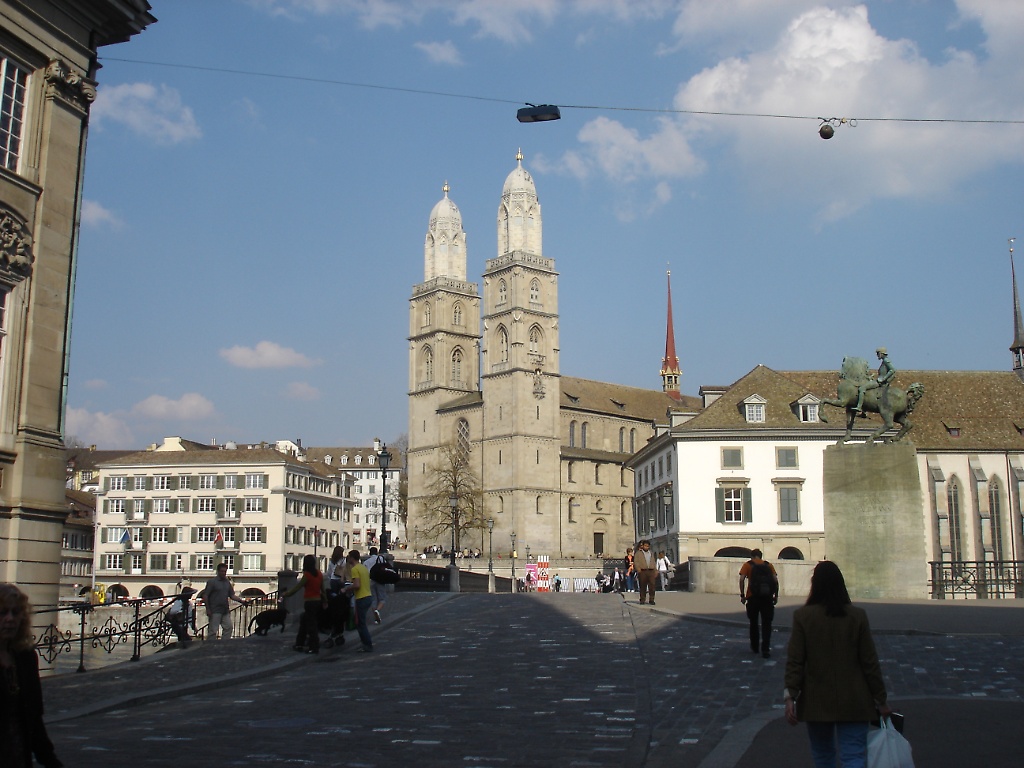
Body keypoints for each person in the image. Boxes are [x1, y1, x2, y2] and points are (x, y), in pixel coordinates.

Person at [785, 560, 891, 767]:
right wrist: (881, 699)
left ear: (814, 584)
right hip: (855, 698)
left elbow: (795, 661)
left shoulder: (803, 616)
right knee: (854, 756)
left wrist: (790, 696)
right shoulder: (857, 616)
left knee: (823, 756)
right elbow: (870, 662)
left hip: (817, 699)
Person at [0, 584, 63, 768]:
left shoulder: (25, 658)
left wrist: (51, 761)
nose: (10, 619)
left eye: (16, 612)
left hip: (18, 756)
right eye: (3, 613)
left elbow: (34, 718)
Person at [280, 554, 327, 654]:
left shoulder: (307, 575)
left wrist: (286, 594)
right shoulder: (319, 574)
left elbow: (297, 587)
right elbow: (323, 589)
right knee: (304, 622)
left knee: (311, 625)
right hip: (318, 601)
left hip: (309, 602)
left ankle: (313, 647)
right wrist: (325, 601)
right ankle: (299, 644)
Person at [738, 548, 778, 658]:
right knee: (767, 624)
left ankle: (755, 647)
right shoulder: (768, 565)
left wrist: (742, 595)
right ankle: (765, 649)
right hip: (767, 597)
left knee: (753, 622)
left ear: (752, 556)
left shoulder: (748, 565)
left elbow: (741, 579)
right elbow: (775, 580)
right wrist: (775, 596)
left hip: (753, 596)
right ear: (760, 556)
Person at [198, 562, 249, 640]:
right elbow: (206, 595)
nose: (223, 573)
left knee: (228, 627)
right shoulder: (212, 582)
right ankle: (210, 646)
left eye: (225, 571)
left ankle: (224, 643)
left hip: (225, 609)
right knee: (213, 630)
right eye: (222, 571)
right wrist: (208, 608)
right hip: (214, 609)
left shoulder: (227, 582)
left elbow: (232, 595)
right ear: (218, 571)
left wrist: (241, 601)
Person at [343, 549, 374, 652]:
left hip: (361, 598)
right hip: (368, 596)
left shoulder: (355, 569)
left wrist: (346, 589)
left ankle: (367, 644)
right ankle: (366, 643)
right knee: (361, 622)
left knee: (360, 623)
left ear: (352, 558)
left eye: (349, 556)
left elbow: (357, 585)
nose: (348, 558)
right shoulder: (363, 568)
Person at [855, 346, 896, 413]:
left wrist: (884, 378)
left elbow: (892, 370)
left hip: (880, 381)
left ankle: (859, 407)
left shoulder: (886, 361)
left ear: (881, 353)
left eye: (878, 353)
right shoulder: (884, 361)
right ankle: (864, 411)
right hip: (880, 380)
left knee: (862, 388)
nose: (877, 355)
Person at [325, 545, 349, 645]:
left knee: (334, 599)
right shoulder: (343, 561)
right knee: (341, 599)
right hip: (340, 580)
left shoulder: (331, 561)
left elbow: (329, 573)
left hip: (332, 581)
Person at [363, 547, 388, 624]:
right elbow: (386, 568)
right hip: (380, 580)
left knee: (373, 599)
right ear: (377, 552)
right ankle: (378, 610)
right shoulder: (381, 559)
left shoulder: (366, 562)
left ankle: (376, 618)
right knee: (382, 598)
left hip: (371, 581)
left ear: (370, 553)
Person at [633, 540, 658, 605]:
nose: (646, 547)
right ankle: (642, 599)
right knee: (643, 586)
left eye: (647, 546)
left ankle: (651, 599)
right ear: (643, 546)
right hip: (643, 571)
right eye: (645, 546)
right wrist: (638, 569)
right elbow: (636, 561)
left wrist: (655, 570)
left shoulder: (651, 553)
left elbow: (653, 562)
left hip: (651, 571)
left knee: (652, 586)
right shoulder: (638, 553)